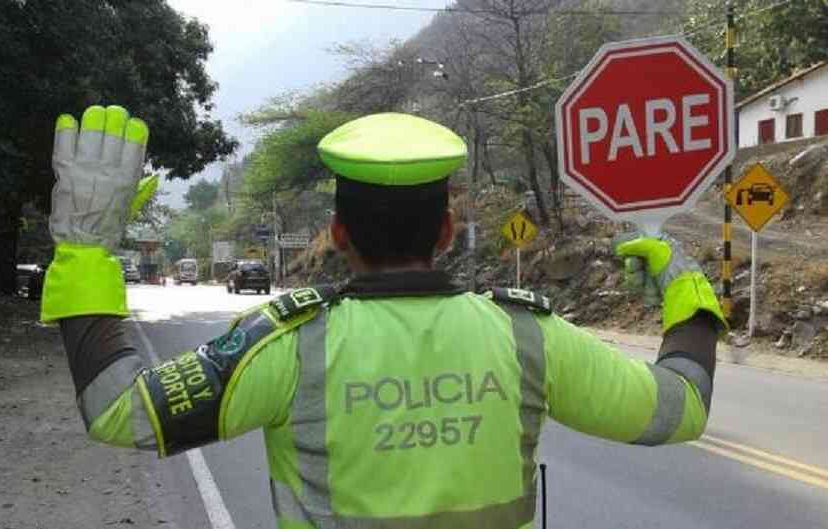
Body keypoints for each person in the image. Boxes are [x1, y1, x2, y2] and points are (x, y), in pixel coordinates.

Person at [41, 105, 727, 529]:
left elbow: (119, 409)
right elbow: (681, 405)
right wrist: (686, 279)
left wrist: (84, 253)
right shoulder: (528, 336)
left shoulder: (287, 345)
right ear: (448, 230)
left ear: (337, 235)